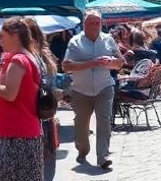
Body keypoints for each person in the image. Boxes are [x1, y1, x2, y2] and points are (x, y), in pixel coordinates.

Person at [0, 17, 44, 181]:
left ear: (15, 35)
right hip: (24, 130)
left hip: (17, 132)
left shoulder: (18, 60)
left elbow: (10, 94)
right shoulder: (28, 56)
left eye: (2, 36)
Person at [62, 11, 121, 169]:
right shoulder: (75, 42)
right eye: (91, 22)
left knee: (104, 120)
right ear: (84, 24)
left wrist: (111, 62)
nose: (95, 25)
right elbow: (66, 66)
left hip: (104, 87)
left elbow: (120, 62)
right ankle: (82, 149)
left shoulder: (108, 40)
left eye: (97, 22)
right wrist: (92, 63)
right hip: (81, 91)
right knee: (81, 124)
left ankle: (102, 157)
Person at [22, 17, 61, 181]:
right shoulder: (46, 57)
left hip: (31, 117)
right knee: (46, 160)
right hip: (46, 115)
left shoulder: (27, 59)